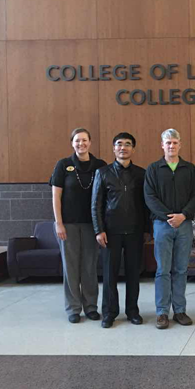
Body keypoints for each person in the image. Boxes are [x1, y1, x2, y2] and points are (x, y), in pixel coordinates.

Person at [91, 132, 149, 329]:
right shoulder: (102, 173)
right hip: (110, 232)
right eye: (119, 144)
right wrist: (99, 230)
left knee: (134, 274)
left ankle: (132, 311)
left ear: (133, 149)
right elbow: (96, 204)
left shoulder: (141, 174)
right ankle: (109, 312)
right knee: (109, 275)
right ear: (114, 148)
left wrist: (146, 229)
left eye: (127, 144)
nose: (123, 147)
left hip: (135, 231)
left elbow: (145, 204)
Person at [50, 128, 107, 324]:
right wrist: (59, 223)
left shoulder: (100, 165)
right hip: (68, 225)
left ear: (90, 142)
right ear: (72, 143)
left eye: (84, 140)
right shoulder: (63, 165)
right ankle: (73, 308)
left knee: (89, 267)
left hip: (92, 225)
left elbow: (105, 197)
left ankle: (91, 306)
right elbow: (56, 196)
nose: (81, 144)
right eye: (77, 141)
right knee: (71, 267)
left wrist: (102, 226)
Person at [144, 129, 195, 330]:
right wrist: (169, 217)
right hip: (162, 225)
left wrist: (183, 215)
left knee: (181, 270)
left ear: (180, 144)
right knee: (163, 270)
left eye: (175, 142)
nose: (171, 146)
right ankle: (162, 312)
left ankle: (180, 311)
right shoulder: (153, 169)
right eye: (168, 143)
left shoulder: (189, 169)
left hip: (184, 225)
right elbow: (150, 197)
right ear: (162, 145)